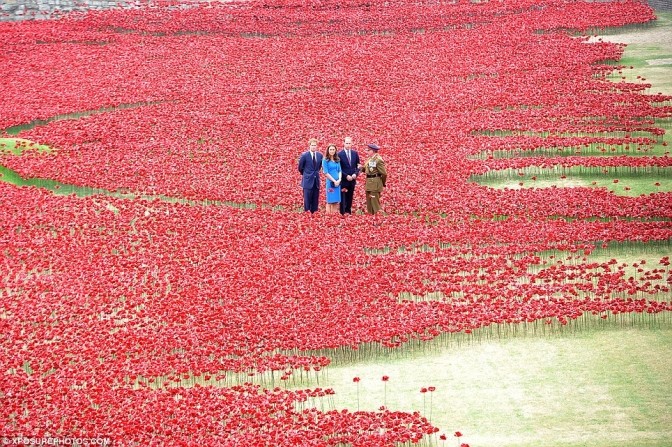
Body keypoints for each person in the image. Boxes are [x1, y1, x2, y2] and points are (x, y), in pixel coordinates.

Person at [360, 143, 387, 216]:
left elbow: (384, 173)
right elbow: (367, 169)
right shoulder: (369, 159)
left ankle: (380, 219)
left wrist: (382, 183)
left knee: (375, 204)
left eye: (368, 150)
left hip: (375, 183)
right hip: (369, 183)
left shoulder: (378, 160)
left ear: (373, 151)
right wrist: (361, 168)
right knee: (369, 204)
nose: (367, 152)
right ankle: (371, 219)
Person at [298, 138, 323, 213]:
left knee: (315, 201)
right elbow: (300, 167)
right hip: (307, 181)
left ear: (317, 146)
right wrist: (306, 174)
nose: (313, 147)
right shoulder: (304, 155)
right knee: (307, 201)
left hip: (316, 181)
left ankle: (314, 215)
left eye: (315, 145)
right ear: (309, 145)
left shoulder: (320, 155)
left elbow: (319, 167)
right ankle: (307, 216)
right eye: (312, 145)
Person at [338, 136, 360, 215]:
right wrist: (346, 176)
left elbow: (358, 166)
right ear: (343, 143)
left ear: (352, 144)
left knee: (350, 197)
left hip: (352, 180)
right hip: (344, 180)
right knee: (343, 198)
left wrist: (355, 174)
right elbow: (339, 168)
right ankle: (342, 213)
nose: (348, 145)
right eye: (346, 143)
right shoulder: (339, 154)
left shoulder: (355, 153)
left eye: (349, 143)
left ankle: (348, 212)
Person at [322, 144, 342, 213]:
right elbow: (326, 172)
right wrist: (334, 181)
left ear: (335, 150)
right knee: (330, 201)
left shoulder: (337, 160)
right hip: (330, 183)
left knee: (336, 201)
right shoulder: (325, 160)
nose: (332, 151)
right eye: (330, 149)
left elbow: (339, 170)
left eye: (333, 149)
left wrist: (339, 180)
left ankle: (334, 216)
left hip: (337, 183)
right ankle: (329, 216)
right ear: (328, 150)